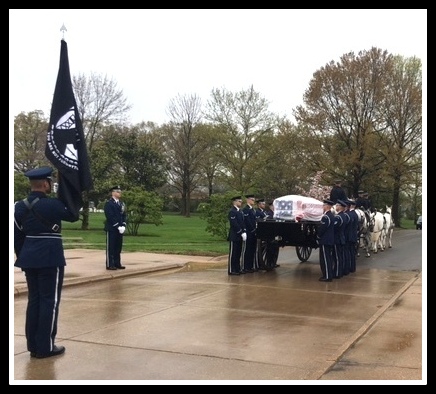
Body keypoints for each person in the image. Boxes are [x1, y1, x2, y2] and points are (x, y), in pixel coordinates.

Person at [14, 166, 79, 358]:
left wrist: (23, 255)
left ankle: (33, 345)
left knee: (34, 301)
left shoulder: (18, 206)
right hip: (50, 258)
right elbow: (73, 214)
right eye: (50, 182)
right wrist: (69, 189)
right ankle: (46, 346)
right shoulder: (52, 205)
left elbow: (17, 235)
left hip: (28, 258)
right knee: (49, 302)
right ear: (45, 184)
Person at [104, 186, 127, 270]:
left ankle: (117, 263)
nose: (119, 193)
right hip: (112, 228)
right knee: (111, 247)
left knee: (118, 247)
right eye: (117, 191)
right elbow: (110, 216)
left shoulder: (122, 204)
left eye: (120, 191)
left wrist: (123, 225)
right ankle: (110, 264)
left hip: (120, 228)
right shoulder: (109, 203)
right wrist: (117, 226)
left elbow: (124, 215)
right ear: (113, 193)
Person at [317, 199, 335, 282]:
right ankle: (328, 275)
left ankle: (327, 276)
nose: (323, 207)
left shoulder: (326, 217)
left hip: (325, 240)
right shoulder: (331, 216)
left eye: (324, 205)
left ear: (327, 206)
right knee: (327, 258)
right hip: (329, 239)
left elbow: (322, 229)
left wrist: (318, 236)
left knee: (325, 259)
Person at [227, 196, 246, 275]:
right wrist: (240, 232)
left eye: (241, 202)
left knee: (238, 253)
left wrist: (244, 231)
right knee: (233, 254)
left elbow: (242, 223)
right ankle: (232, 270)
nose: (240, 203)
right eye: (239, 201)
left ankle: (237, 269)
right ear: (234, 202)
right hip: (234, 235)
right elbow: (234, 224)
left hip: (240, 236)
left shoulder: (240, 211)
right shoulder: (232, 211)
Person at [242, 194, 258, 272]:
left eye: (254, 200)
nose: (253, 201)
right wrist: (252, 229)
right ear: (247, 200)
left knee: (252, 250)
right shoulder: (246, 210)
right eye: (252, 200)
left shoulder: (252, 210)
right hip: (248, 232)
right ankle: (245, 267)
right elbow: (247, 221)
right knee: (247, 250)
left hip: (253, 232)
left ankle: (250, 266)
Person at [346, 199, 359, 273]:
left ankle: (349, 267)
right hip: (353, 236)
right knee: (352, 253)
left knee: (348, 253)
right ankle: (352, 267)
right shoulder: (354, 214)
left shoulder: (349, 215)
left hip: (349, 236)